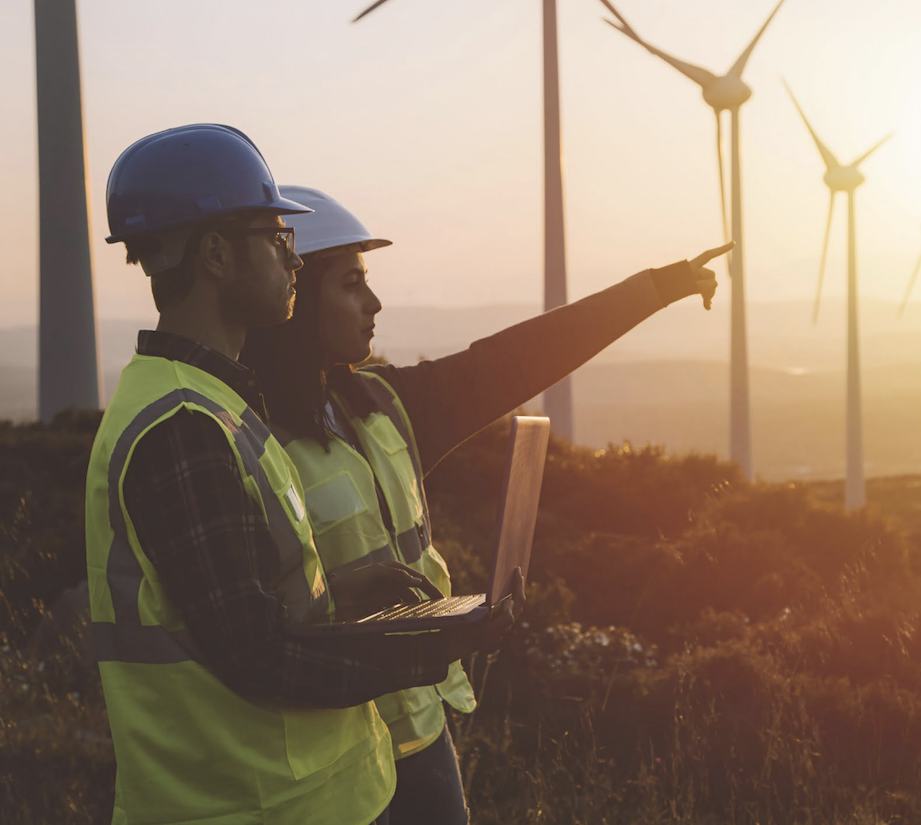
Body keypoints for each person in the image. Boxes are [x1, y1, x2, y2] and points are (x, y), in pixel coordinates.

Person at [240, 184, 732, 824]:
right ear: (297, 298)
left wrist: (657, 287)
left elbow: (518, 358)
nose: (374, 303)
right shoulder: (243, 436)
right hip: (324, 751)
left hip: (419, 726)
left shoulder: (386, 407)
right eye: (351, 285)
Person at [84, 125, 516, 825]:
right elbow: (259, 657)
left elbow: (229, 609)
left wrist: (345, 588)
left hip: (310, 799)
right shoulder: (182, 430)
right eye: (276, 236)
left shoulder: (216, 404)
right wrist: (428, 650)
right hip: (250, 807)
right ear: (217, 254)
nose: (293, 258)